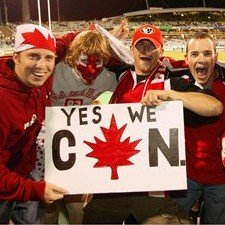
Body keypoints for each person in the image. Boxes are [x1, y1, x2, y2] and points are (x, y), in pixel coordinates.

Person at [82, 24, 223, 224]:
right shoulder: (119, 74)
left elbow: (214, 106)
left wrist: (169, 94)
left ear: (161, 51)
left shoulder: (171, 80)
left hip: (151, 189)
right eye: (141, 46)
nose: (146, 51)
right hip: (114, 182)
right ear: (131, 50)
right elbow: (86, 53)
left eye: (151, 46)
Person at [44, 22, 129, 224]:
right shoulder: (53, 71)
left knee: (76, 207)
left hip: (80, 149)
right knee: (46, 206)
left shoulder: (110, 79)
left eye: (98, 62)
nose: (91, 68)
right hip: (47, 147)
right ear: (72, 57)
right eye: (84, 60)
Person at [0, 23, 67, 224]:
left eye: (49, 58)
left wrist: (97, 32)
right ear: (16, 57)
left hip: (24, 170)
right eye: (33, 56)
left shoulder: (37, 77)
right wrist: (33, 189)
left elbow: (63, 44)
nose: (42, 66)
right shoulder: (3, 100)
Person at [169, 32, 225, 224]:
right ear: (186, 59)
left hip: (220, 179)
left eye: (207, 53)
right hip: (185, 177)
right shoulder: (179, 86)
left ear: (216, 57)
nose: (201, 59)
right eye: (194, 54)